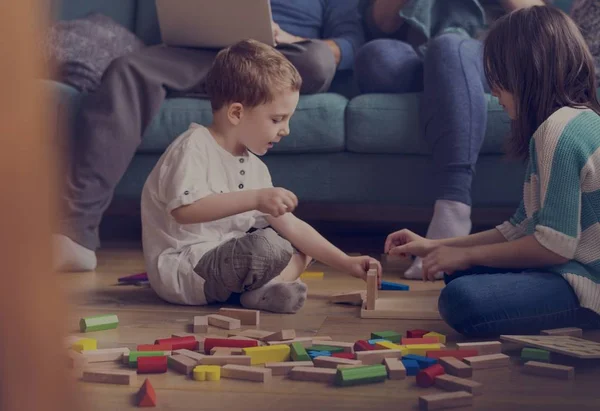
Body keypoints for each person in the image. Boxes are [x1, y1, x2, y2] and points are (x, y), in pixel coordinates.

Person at [53, 0, 365, 272]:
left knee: (318, 59)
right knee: (126, 70)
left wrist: (291, 38)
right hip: (203, 56)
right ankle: (75, 233)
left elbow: (351, 43)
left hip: (283, 59)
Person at [384, 6, 600, 337]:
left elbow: (554, 247)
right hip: (573, 264)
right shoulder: (572, 120)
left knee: (460, 298)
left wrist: (467, 257)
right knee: (452, 267)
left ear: (527, 72)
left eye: (498, 76)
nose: (493, 89)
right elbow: (520, 227)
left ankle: (583, 318)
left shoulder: (558, 132)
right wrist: (433, 246)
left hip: (588, 282)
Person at [141, 39, 381, 312]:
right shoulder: (193, 147)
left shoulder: (254, 166)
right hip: (185, 269)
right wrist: (255, 198)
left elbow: (293, 226)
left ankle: (260, 293)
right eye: (277, 119)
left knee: (303, 246)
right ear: (236, 113)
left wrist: (346, 262)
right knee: (269, 246)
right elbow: (184, 211)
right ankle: (259, 289)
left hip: (227, 265)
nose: (285, 130)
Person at [355, 0, 544, 280]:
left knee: (449, 46)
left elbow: (536, 17)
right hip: (418, 53)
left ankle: (452, 208)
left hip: (484, 50)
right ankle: (447, 77)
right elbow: (381, 23)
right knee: (375, 56)